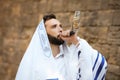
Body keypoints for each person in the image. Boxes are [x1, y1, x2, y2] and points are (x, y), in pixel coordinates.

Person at [15, 13, 107, 80]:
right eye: (54, 26)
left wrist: (75, 40)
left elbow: (99, 62)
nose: (60, 29)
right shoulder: (34, 62)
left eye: (60, 26)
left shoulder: (71, 58)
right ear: (43, 33)